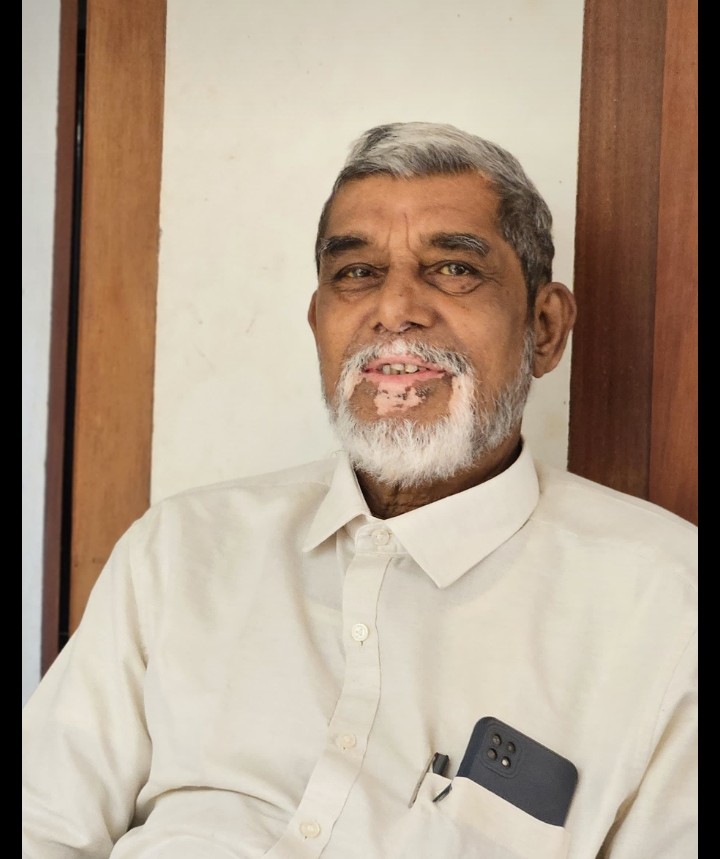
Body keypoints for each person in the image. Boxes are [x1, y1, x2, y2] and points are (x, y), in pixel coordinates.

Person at [22, 122, 697, 859]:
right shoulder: (184, 547)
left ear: (544, 328)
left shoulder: (666, 602)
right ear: (319, 323)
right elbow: (42, 824)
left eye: (454, 268)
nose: (394, 309)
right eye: (356, 272)